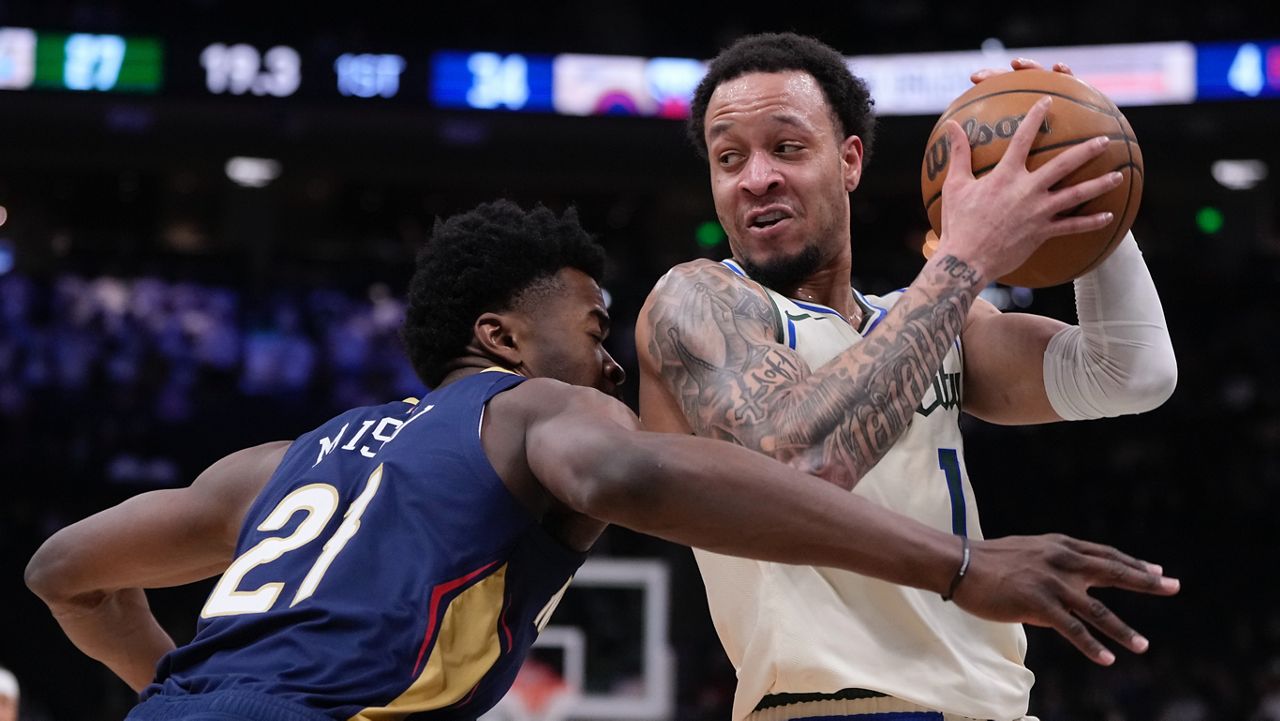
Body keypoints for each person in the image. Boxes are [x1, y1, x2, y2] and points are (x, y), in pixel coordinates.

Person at [26, 200, 1174, 721]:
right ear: (500, 338)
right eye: (592, 327)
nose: (613, 362)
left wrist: (186, 690)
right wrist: (956, 565)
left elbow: (64, 570)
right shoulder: (536, 411)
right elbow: (634, 479)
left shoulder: (277, 463)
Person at [636, 33, 1179, 721]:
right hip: (838, 707)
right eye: (729, 158)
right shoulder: (697, 302)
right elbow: (801, 461)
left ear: (850, 160)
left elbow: (1131, 372)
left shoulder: (935, 318)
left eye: (788, 147)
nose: (756, 177)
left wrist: (1085, 174)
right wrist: (967, 257)